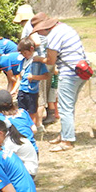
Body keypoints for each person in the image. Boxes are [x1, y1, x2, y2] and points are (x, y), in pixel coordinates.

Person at [31, 13, 88, 152]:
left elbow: (51, 61)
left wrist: (38, 59)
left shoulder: (53, 36)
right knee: (69, 105)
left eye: (39, 31)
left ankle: (67, 141)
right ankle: (65, 134)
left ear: (45, 27)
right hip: (81, 70)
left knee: (65, 108)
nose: (39, 34)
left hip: (69, 73)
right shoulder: (65, 28)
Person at [17, 37, 49, 127]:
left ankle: (32, 130)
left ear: (31, 49)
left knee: (32, 113)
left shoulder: (37, 62)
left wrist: (34, 77)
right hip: (22, 90)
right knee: (21, 112)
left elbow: (46, 75)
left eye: (25, 53)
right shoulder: (23, 61)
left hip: (31, 91)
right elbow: (19, 76)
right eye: (22, 53)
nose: (24, 55)